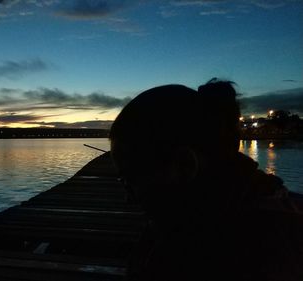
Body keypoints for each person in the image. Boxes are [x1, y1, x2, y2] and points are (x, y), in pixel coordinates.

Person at [109, 79, 303, 281]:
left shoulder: (274, 248)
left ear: (185, 165)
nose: (127, 199)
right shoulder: (185, 215)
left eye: (130, 180)